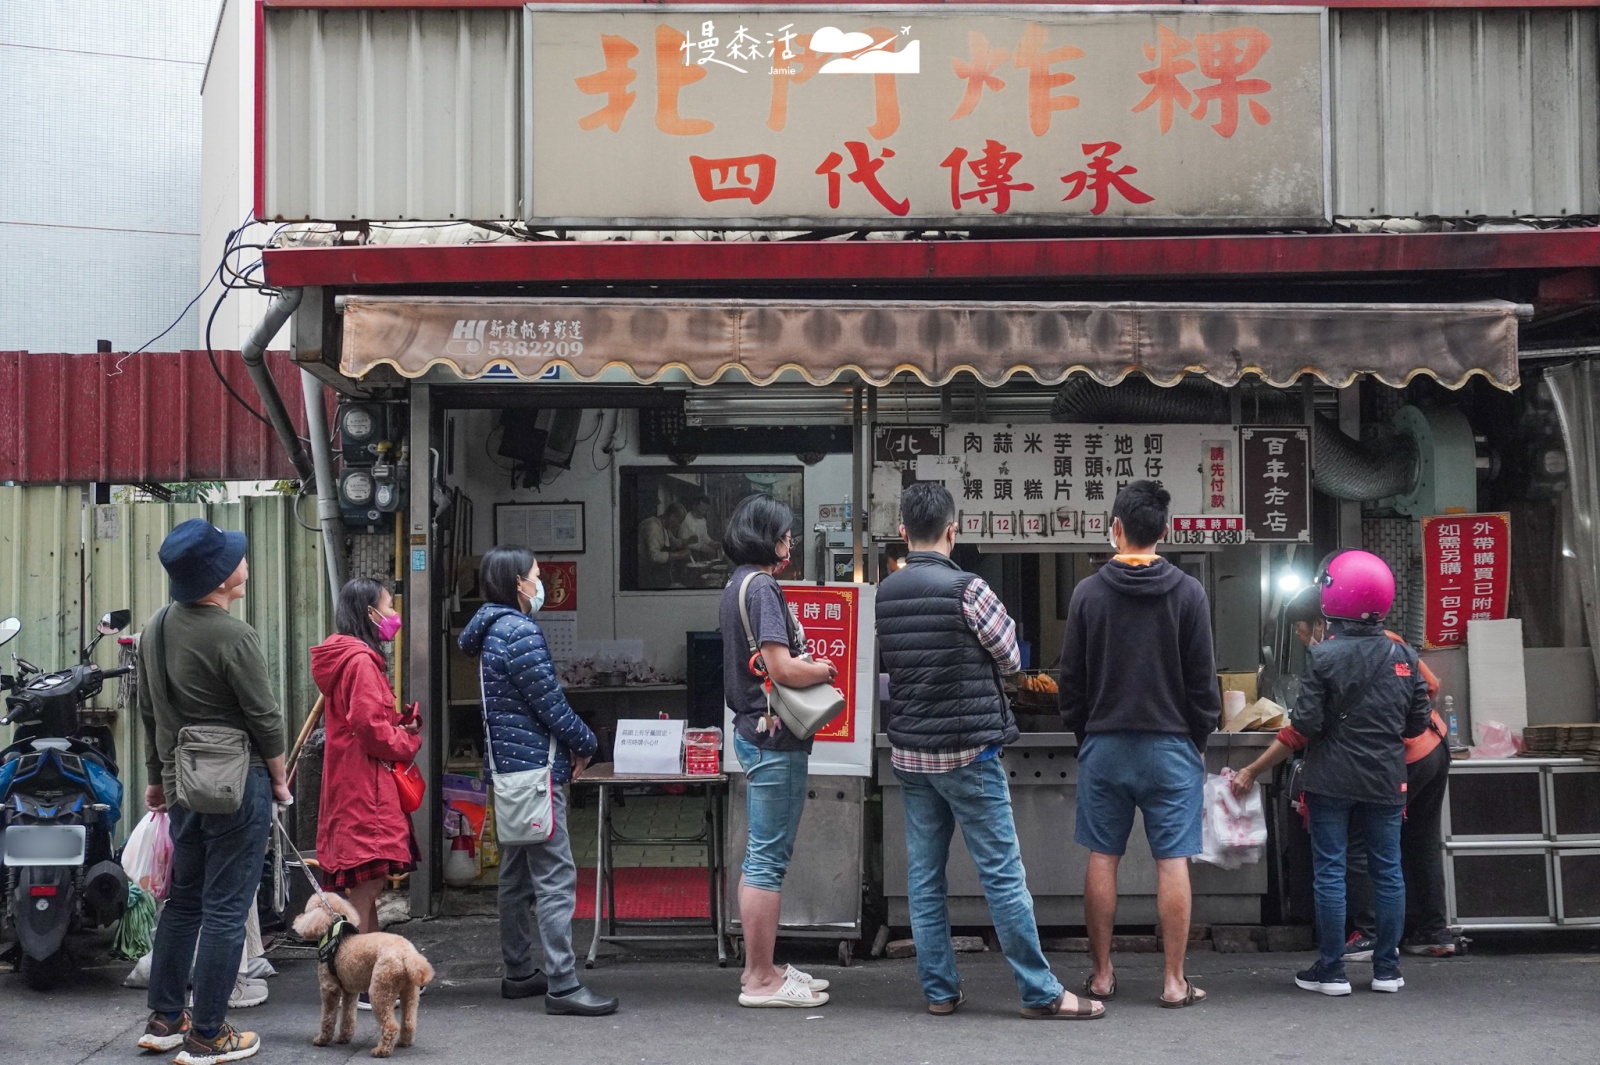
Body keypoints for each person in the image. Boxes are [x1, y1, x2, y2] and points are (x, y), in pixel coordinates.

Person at [877, 482, 1103, 1021]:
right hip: (969, 754)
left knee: (924, 877)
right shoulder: (968, 589)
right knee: (1001, 873)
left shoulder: (885, 592)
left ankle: (939, 990)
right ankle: (1040, 991)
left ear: (904, 533)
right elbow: (1009, 657)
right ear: (953, 530)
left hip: (911, 755)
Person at [1058, 481, 1219, 1009]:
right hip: (1171, 746)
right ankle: (1174, 982)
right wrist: (1196, 736)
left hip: (1105, 745)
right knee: (1172, 860)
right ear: (1164, 531)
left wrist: (1087, 734)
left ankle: (1102, 975)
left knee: (1103, 856)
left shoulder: (1087, 593)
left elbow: (1071, 682)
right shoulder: (1189, 592)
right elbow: (1203, 683)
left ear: (1117, 528)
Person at [1232, 579, 1456, 960]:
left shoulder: (1338, 654)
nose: (1305, 642)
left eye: (1303, 632)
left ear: (1322, 622)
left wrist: (1252, 769)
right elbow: (1428, 689)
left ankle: (1367, 936)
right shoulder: (1391, 642)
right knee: (1418, 842)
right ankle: (1432, 933)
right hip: (1433, 747)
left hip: (1397, 758)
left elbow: (1301, 729)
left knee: (1355, 849)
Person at [135, 519, 290, 1065]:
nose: (243, 562)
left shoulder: (155, 628)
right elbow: (265, 718)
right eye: (235, 558)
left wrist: (156, 779)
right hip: (234, 785)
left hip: (182, 788)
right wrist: (278, 777)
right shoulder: (233, 635)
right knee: (226, 910)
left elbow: (149, 712)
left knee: (184, 903)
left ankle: (165, 1019)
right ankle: (208, 1034)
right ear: (221, 577)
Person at [458, 545, 617, 1017]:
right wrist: (589, 743)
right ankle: (564, 984)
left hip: (508, 771)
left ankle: (519, 972)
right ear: (517, 584)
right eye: (534, 576)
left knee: (515, 874)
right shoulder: (519, 631)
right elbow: (550, 704)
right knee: (554, 876)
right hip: (535, 771)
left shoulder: (488, 632)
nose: (540, 582)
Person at [1276, 550, 1432, 996]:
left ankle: (1332, 971)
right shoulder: (1403, 653)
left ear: (1334, 597)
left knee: (1330, 871)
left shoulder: (1324, 657)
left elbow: (1306, 725)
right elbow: (1416, 724)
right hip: (1385, 780)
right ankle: (1386, 969)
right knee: (1388, 870)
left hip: (1331, 781)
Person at [718, 494, 834, 1008]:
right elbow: (781, 668)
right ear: (768, 538)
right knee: (767, 858)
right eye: (785, 535)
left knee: (763, 854)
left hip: (753, 730)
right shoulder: (762, 586)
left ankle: (760, 969)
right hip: (775, 735)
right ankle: (762, 979)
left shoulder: (736, 583)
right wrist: (825, 671)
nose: (790, 543)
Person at [311, 577, 423, 998]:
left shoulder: (347, 658)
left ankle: (375, 977)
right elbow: (368, 728)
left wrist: (397, 724)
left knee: (366, 887)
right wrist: (407, 740)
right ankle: (345, 977)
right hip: (366, 785)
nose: (394, 615)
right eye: (389, 606)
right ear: (369, 613)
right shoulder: (359, 661)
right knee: (366, 887)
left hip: (354, 781)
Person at [637, 502, 691, 589]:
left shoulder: (664, 527)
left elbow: (675, 542)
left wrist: (687, 542)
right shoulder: (653, 526)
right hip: (647, 575)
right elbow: (654, 556)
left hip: (658, 574)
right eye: (679, 521)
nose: (678, 525)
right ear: (672, 516)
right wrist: (678, 555)